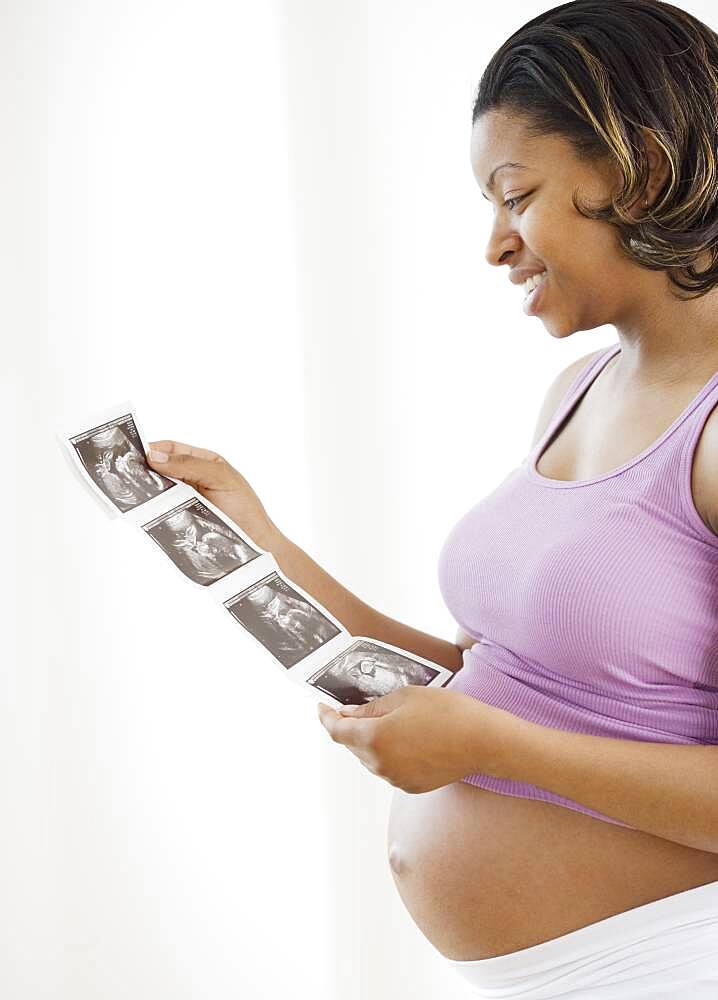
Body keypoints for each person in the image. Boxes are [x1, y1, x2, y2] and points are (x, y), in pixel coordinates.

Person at [146, 2, 718, 996]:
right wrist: (263, 542)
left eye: (516, 194)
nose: (496, 245)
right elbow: (495, 679)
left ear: (645, 171)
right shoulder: (576, 392)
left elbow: (495, 726)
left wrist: (488, 747)